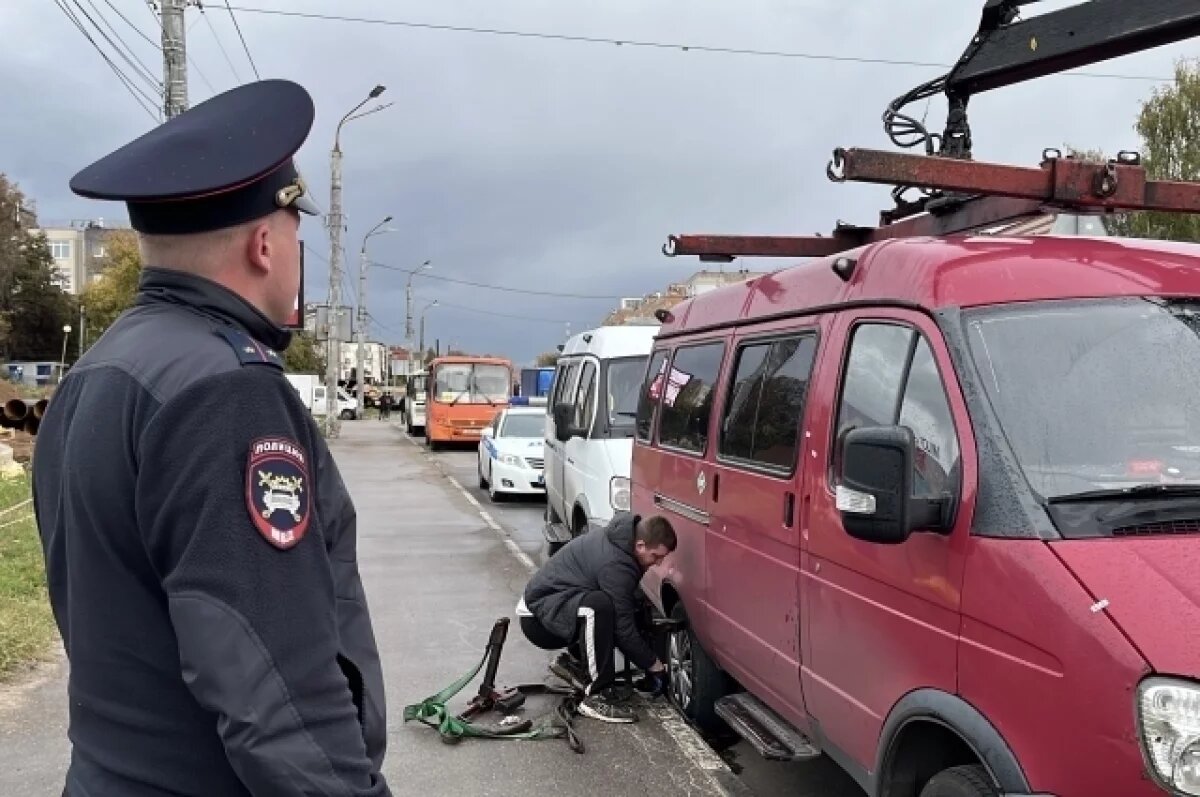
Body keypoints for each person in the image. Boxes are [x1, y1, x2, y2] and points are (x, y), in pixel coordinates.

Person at [31, 79, 392, 797]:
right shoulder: (228, 393)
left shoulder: (96, 373)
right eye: (297, 228)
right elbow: (276, 684)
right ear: (265, 242)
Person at [517, 512, 676, 723]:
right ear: (640, 545)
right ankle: (596, 696)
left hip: (553, 604)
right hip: (539, 620)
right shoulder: (617, 564)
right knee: (598, 607)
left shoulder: (621, 541)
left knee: (610, 604)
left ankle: (576, 664)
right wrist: (653, 664)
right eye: (656, 556)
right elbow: (623, 629)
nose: (658, 563)